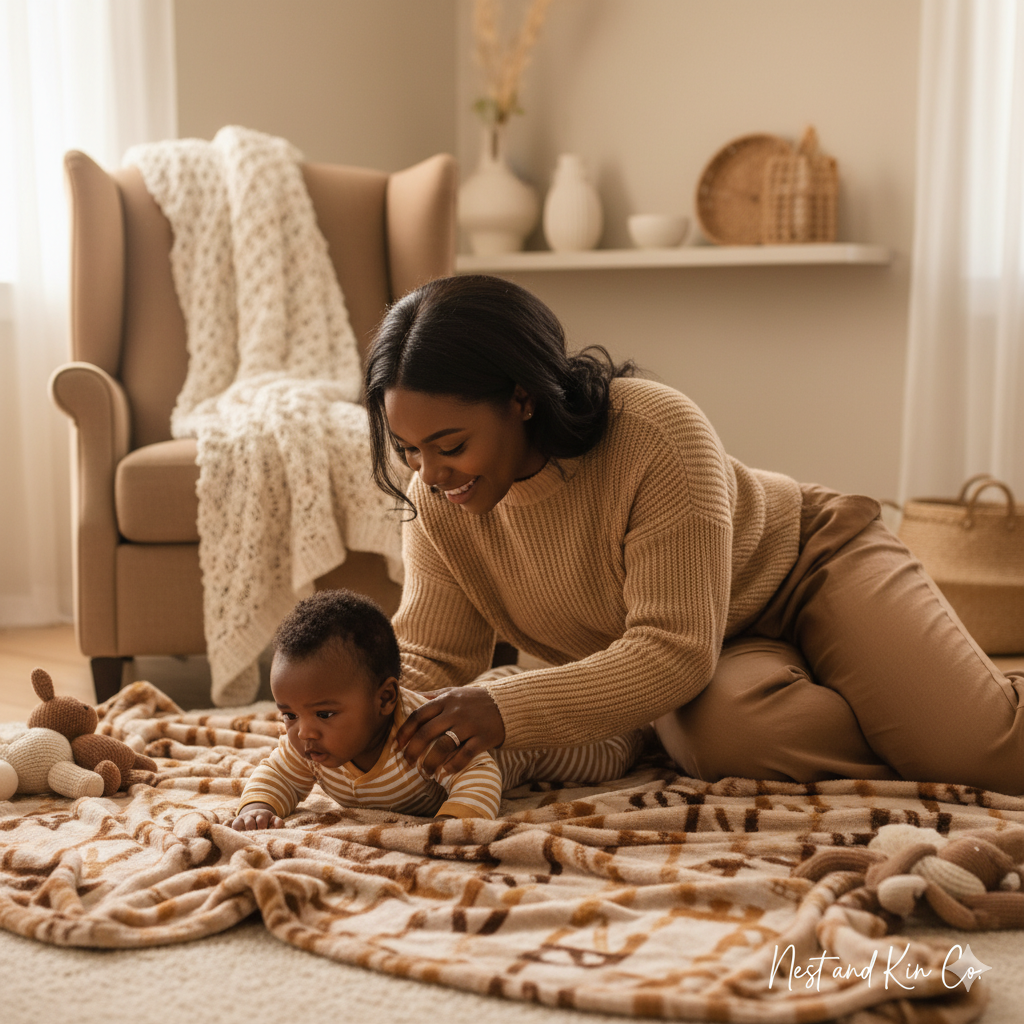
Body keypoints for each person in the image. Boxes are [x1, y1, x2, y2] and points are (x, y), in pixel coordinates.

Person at [362, 274, 1024, 796]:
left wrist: (505, 707)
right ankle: (911, 713)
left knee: (979, 755)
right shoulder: (438, 499)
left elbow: (670, 652)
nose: (430, 474)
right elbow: (432, 654)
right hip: (710, 648)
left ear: (522, 398)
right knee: (731, 742)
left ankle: (948, 712)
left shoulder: (654, 431)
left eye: (450, 445)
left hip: (810, 566)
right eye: (409, 448)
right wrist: (354, 711)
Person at [230, 589, 644, 829]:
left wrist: (455, 823)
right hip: (472, 690)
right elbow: (276, 775)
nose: (303, 731)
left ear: (385, 700)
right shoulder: (309, 745)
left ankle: (643, 728)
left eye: (324, 714)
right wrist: (257, 807)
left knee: (605, 758)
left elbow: (478, 774)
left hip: (521, 742)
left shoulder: (421, 733)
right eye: (289, 714)